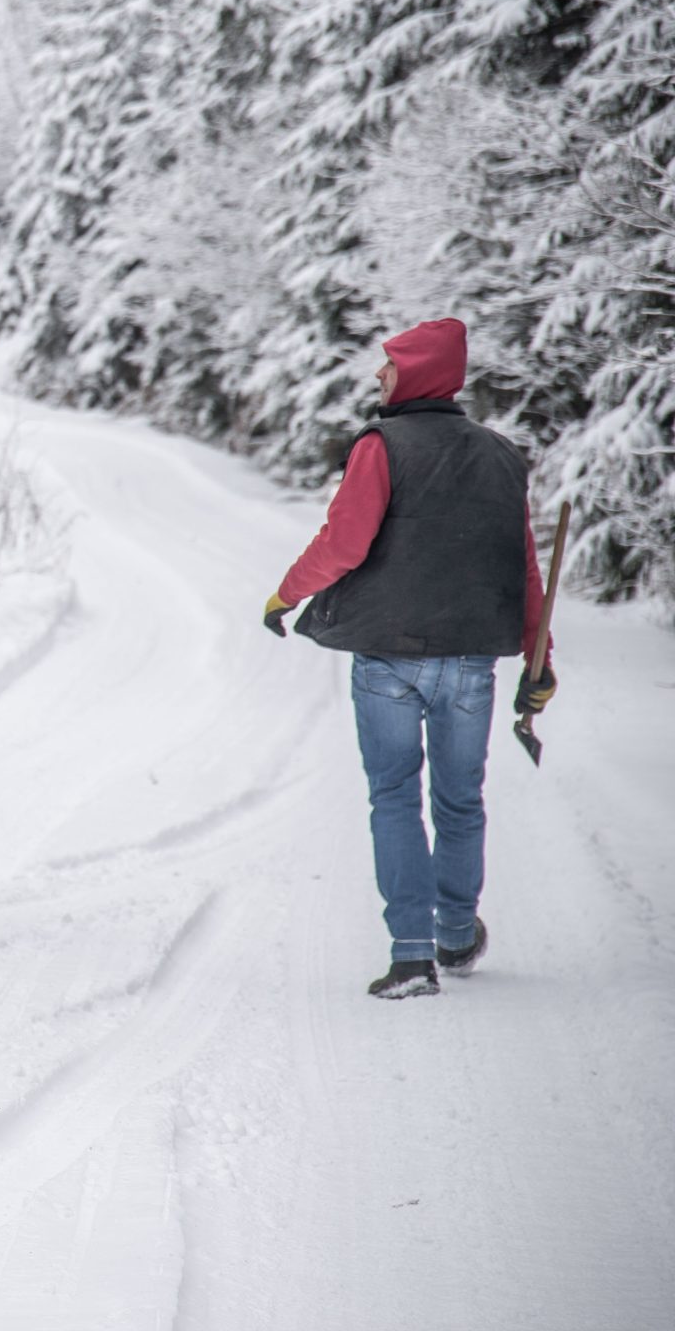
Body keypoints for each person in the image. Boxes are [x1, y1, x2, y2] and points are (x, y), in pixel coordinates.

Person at [263, 318, 555, 1000]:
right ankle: (456, 931)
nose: (378, 376)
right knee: (460, 799)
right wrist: (541, 661)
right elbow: (525, 570)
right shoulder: (501, 456)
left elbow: (343, 543)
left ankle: (412, 957)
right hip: (470, 664)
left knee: (394, 796)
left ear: (418, 373)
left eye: (389, 366)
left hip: (388, 658)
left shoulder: (381, 447)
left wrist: (285, 594)